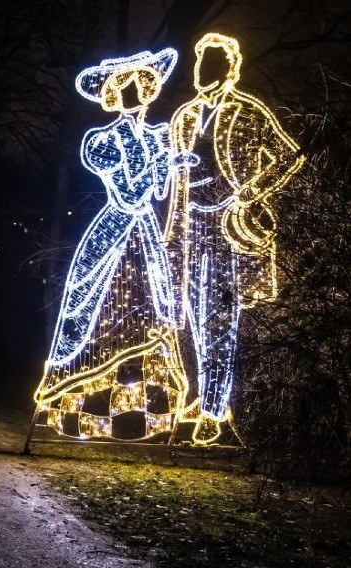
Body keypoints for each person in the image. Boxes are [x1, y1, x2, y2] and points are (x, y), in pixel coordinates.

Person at [30, 48, 188, 442]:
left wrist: (171, 164)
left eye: (144, 83)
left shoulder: (156, 137)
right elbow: (132, 194)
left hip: (145, 232)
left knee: (151, 306)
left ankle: (149, 410)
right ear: (115, 94)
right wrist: (162, 162)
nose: (138, 90)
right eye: (128, 84)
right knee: (94, 304)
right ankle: (78, 405)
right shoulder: (103, 140)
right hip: (116, 227)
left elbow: (159, 192)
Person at [167, 33, 305, 443]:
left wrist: (247, 193)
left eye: (209, 65)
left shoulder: (247, 112)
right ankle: (202, 393)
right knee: (193, 315)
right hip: (192, 225)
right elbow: (176, 177)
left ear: (228, 70)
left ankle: (213, 408)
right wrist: (172, 223)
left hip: (230, 227)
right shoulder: (186, 116)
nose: (200, 72)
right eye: (198, 64)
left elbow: (289, 154)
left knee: (221, 319)